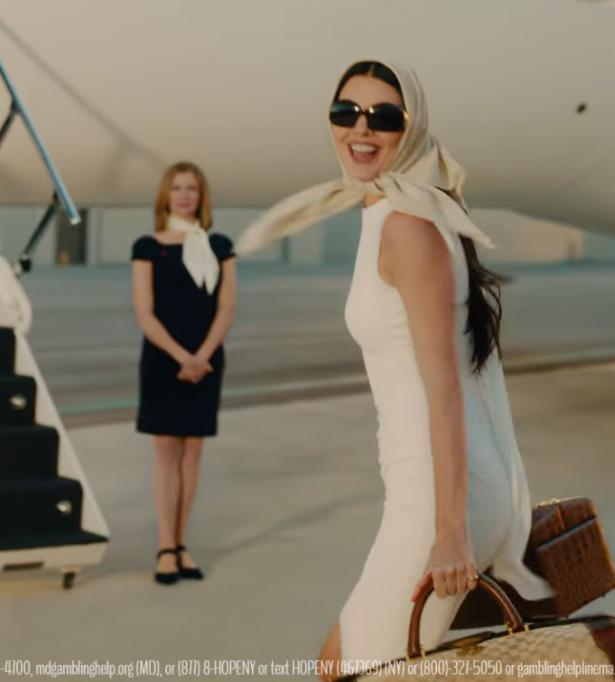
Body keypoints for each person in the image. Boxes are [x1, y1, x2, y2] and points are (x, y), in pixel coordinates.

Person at [235, 60, 553, 678]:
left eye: (384, 116)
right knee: (354, 664)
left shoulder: (408, 226)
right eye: (345, 111)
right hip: (423, 491)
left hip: (439, 504)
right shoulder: (391, 209)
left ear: (411, 128)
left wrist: (450, 533)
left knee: (344, 668)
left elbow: (444, 393)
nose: (361, 127)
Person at [131, 161, 238, 586]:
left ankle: (181, 544)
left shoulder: (220, 246)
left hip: (207, 360)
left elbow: (227, 307)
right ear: (165, 195)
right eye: (176, 187)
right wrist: (182, 357)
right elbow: (144, 312)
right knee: (166, 452)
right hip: (163, 359)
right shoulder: (147, 246)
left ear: (201, 196)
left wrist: (202, 357)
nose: (184, 194)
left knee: (193, 452)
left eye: (192, 188)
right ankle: (164, 546)